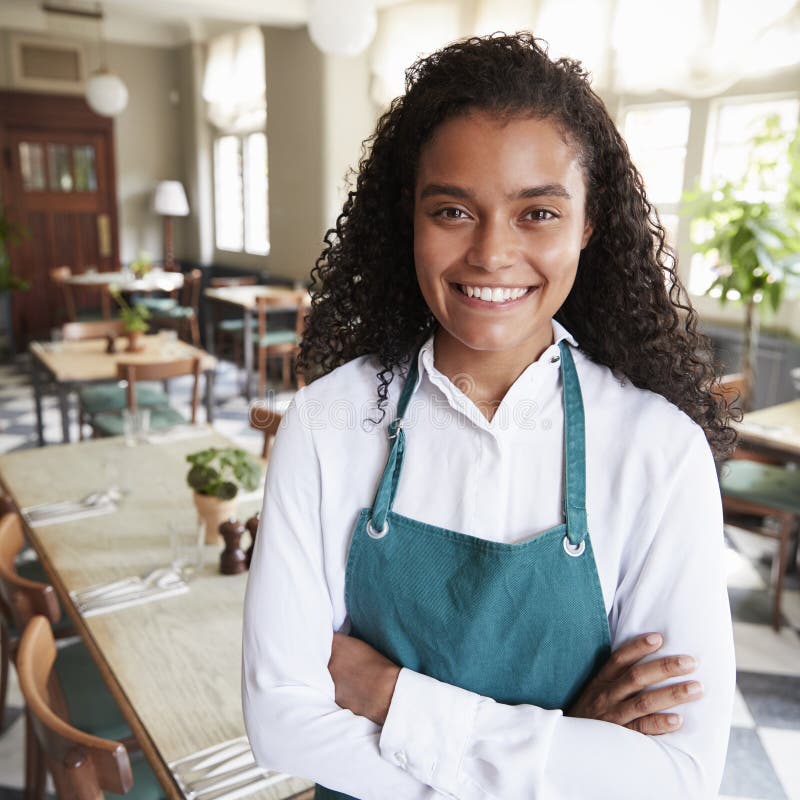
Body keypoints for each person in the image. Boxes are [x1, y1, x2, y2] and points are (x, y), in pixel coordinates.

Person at [242, 33, 736, 799]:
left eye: (537, 212)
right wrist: (572, 742)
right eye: (452, 210)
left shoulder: (657, 450)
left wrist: (390, 696)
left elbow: (677, 776)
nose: (492, 254)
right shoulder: (324, 423)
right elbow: (281, 724)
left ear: (588, 225)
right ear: (408, 218)